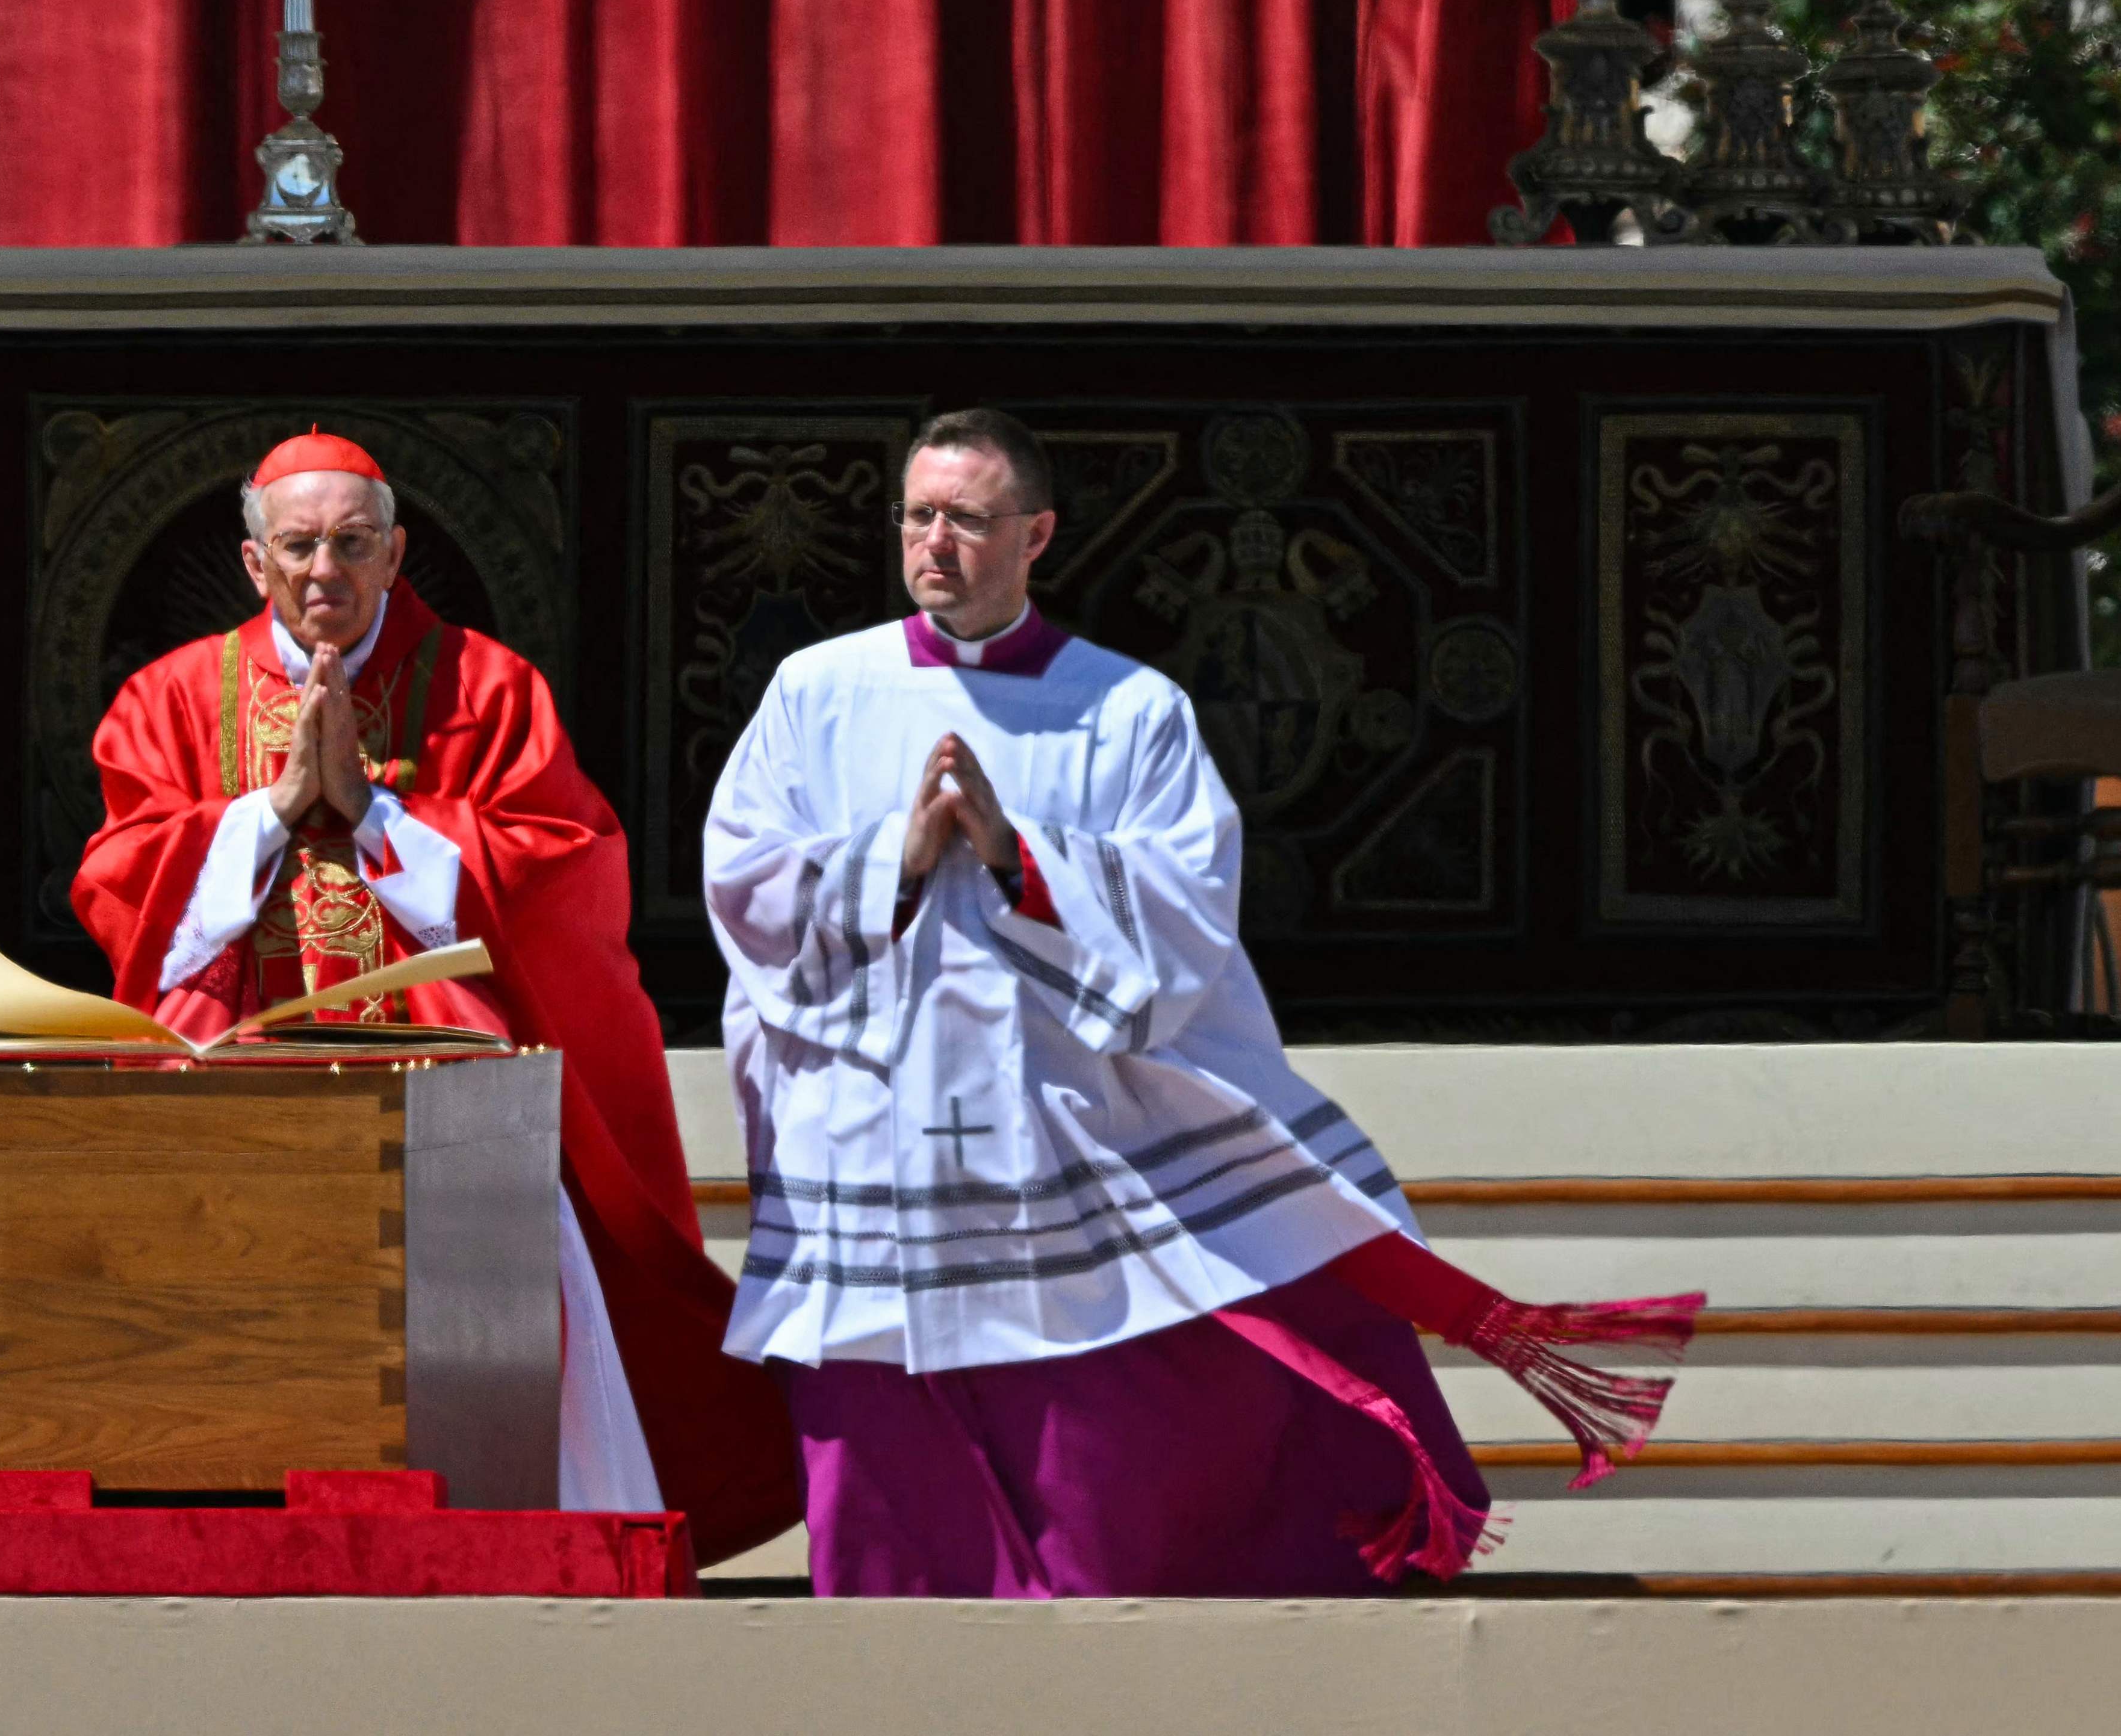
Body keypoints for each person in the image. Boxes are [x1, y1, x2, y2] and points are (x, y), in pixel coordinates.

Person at [704, 406, 1698, 1598]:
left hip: (1051, 1148)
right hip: (879, 1160)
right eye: (919, 516)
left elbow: (1185, 917)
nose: (937, 544)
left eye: (968, 519)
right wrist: (896, 856)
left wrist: (1021, 854)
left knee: (1091, 1486)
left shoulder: (1127, 708)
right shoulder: (815, 691)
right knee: (883, 1501)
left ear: (1036, 535)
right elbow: (744, 880)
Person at [75, 427, 801, 1563]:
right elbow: (117, 880)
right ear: (253, 564)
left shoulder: (490, 687)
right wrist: (267, 815)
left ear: (396, 550)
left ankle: (518, 1559)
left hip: (452, 1106)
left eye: (354, 543)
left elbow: (571, 872)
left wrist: (373, 816)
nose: (328, 571)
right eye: (300, 546)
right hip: (227, 1098)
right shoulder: (167, 700)